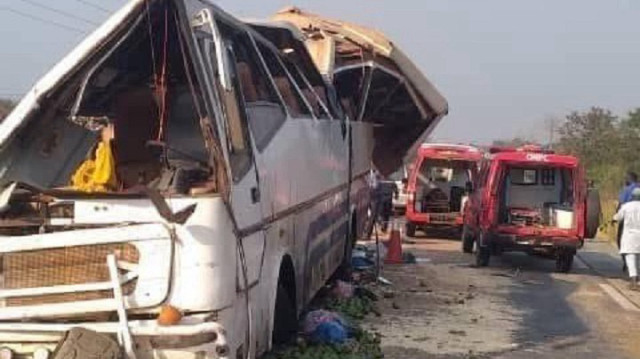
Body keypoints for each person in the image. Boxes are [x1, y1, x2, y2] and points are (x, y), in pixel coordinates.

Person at [613, 187, 640, 290]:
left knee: (630, 258)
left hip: (630, 236)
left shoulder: (626, 206)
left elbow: (618, 217)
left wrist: (613, 220)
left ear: (632, 197)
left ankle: (633, 281)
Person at [618, 172, 639, 271]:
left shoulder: (626, 189)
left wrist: (616, 217)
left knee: (622, 241)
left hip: (628, 218)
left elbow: (621, 204)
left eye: (626, 178)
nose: (625, 180)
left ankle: (626, 262)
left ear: (630, 179)